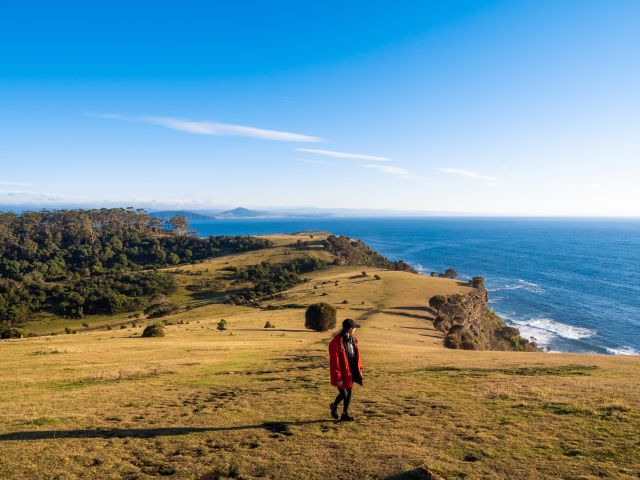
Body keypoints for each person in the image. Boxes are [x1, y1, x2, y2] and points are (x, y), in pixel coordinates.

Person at [328, 318, 363, 421]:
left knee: (349, 391)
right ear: (350, 328)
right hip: (340, 372)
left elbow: (356, 356)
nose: (355, 329)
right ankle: (334, 406)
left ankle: (345, 414)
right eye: (354, 328)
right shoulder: (337, 342)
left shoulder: (353, 340)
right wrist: (338, 376)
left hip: (350, 371)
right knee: (344, 393)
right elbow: (335, 361)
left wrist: (359, 369)